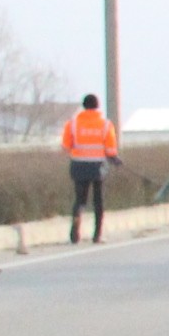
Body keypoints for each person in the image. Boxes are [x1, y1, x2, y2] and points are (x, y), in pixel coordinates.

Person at [58, 94, 120, 243]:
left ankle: (75, 231)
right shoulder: (105, 125)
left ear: (84, 106)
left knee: (80, 200)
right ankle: (97, 235)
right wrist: (114, 158)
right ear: (97, 106)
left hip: (78, 165)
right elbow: (110, 149)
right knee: (98, 200)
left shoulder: (72, 124)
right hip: (98, 166)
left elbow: (66, 146)